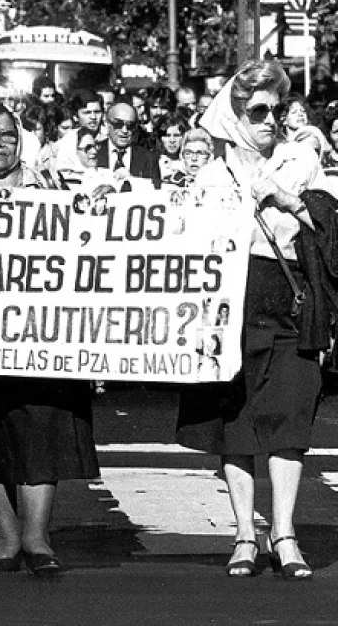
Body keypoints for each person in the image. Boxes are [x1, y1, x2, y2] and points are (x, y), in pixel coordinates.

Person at [176, 59, 338, 581]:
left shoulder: (302, 160)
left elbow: (330, 228)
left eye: (277, 109)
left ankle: (285, 534)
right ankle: (246, 534)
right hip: (228, 308)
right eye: (258, 110)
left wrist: (288, 199)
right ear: (234, 116)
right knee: (236, 425)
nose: (271, 120)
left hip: (291, 302)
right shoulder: (211, 173)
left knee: (289, 421)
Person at [0, 103, 98, 577]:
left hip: (40, 334)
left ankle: (37, 536)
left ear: (20, 140)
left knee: (43, 433)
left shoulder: (50, 189)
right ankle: (7, 537)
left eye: (7, 135)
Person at [96, 102, 161, 189]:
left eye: (130, 126)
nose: (124, 130)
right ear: (107, 124)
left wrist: (132, 182)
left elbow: (156, 191)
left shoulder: (148, 158)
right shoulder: (94, 152)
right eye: (118, 124)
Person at [154, 112, 189, 185]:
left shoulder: (190, 162)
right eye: (167, 136)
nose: (172, 140)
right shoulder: (153, 162)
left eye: (176, 135)